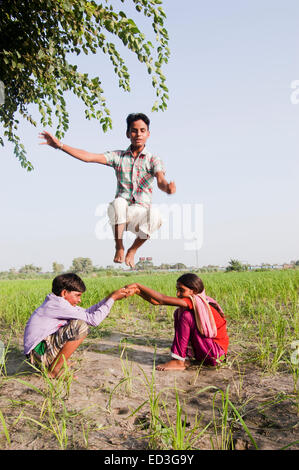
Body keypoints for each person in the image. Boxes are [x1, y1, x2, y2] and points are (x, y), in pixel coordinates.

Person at [39, 113, 176, 268]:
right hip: (120, 214)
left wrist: (167, 188)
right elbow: (89, 157)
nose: (138, 134)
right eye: (134, 130)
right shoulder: (118, 156)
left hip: (140, 215)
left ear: (148, 134)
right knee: (119, 202)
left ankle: (132, 250)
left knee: (157, 216)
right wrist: (60, 146)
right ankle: (119, 246)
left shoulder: (153, 160)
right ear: (127, 133)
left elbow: (160, 180)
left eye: (142, 131)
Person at [24, 273, 135, 378]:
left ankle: (54, 363)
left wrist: (109, 297)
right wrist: (112, 299)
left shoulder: (57, 301)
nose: (79, 300)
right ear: (64, 293)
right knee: (80, 326)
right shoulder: (58, 304)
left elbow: (87, 312)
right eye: (77, 295)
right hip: (37, 355)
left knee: (78, 323)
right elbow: (94, 320)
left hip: (38, 352)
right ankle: (53, 371)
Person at [126, 273, 229, 370]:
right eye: (177, 290)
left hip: (215, 354)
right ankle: (185, 358)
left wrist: (138, 285)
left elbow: (161, 299)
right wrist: (137, 291)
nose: (178, 294)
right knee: (178, 313)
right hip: (209, 352)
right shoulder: (198, 301)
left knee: (186, 316)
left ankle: (179, 361)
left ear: (193, 291)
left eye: (181, 290)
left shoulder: (195, 301)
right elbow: (156, 302)